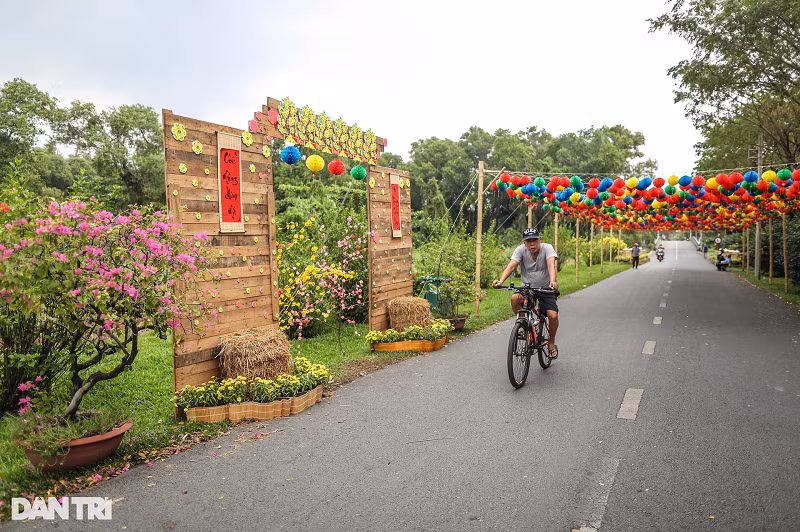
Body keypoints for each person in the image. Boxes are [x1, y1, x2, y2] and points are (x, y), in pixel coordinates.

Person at [492, 228, 559, 358]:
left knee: (553, 316)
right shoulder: (520, 250)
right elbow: (511, 266)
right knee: (515, 298)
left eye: (535, 240)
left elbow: (551, 265)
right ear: (524, 243)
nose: (532, 244)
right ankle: (522, 325)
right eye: (529, 241)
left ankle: (551, 343)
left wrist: (552, 282)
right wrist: (500, 281)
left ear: (539, 240)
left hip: (546, 287)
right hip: (527, 288)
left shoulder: (547, 248)